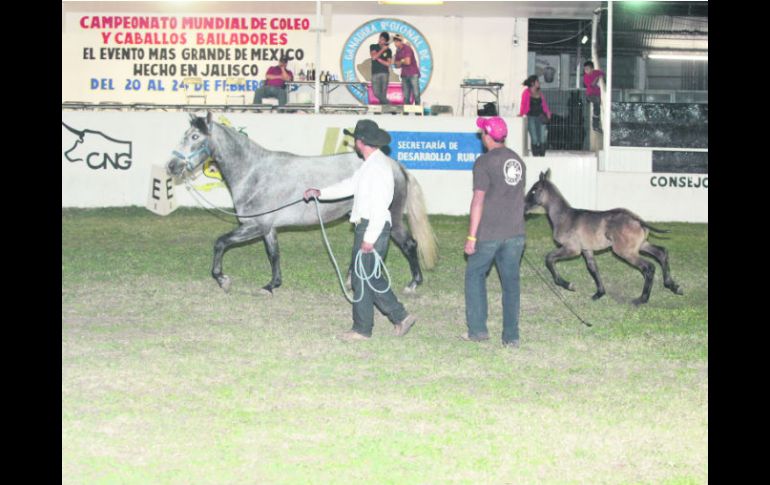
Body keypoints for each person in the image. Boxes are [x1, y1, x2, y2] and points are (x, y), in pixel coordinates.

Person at [303, 119, 417, 342]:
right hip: (370, 225)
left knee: (364, 278)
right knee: (365, 277)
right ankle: (395, 318)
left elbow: (380, 203)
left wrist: (370, 237)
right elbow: (349, 186)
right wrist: (320, 192)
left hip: (372, 225)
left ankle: (367, 327)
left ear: (361, 142)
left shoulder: (378, 168)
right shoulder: (371, 165)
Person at [462, 116, 526, 348]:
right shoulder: (517, 161)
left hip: (489, 233)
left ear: (488, 136)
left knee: (474, 276)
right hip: (515, 233)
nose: (481, 136)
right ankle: (511, 336)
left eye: (482, 133)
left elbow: (478, 200)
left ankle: (478, 330)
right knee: (511, 284)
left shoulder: (484, 162)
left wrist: (471, 236)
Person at [518, 74, 552, 157]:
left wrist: (548, 113)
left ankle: (542, 156)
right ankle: (536, 157)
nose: (539, 82)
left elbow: (544, 104)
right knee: (534, 138)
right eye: (537, 81)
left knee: (542, 138)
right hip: (531, 117)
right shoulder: (526, 93)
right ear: (533, 83)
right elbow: (523, 104)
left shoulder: (539, 92)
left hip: (541, 117)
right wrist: (521, 114)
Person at [393, 34, 421, 106]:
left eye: (397, 41)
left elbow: (408, 62)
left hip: (413, 73)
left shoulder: (407, 48)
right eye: (395, 41)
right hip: (404, 74)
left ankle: (418, 112)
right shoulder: (397, 51)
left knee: (416, 93)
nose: (395, 43)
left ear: (401, 41)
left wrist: (400, 61)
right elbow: (396, 65)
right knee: (406, 96)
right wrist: (402, 61)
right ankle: (406, 113)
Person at [369, 32, 393, 105]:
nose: (380, 40)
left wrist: (378, 59)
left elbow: (388, 63)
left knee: (383, 94)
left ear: (386, 41)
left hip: (385, 73)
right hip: (375, 73)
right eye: (380, 38)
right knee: (376, 93)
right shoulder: (373, 46)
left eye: (383, 39)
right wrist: (382, 50)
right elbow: (373, 57)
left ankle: (383, 111)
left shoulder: (388, 50)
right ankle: (390, 105)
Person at [583, 61, 605, 133]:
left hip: (597, 94)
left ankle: (596, 124)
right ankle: (595, 126)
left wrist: (601, 76)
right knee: (597, 104)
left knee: (597, 108)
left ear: (592, 69)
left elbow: (603, 74)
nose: (586, 71)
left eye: (587, 69)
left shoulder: (596, 72)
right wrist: (597, 78)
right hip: (590, 95)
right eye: (585, 69)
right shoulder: (585, 77)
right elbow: (592, 84)